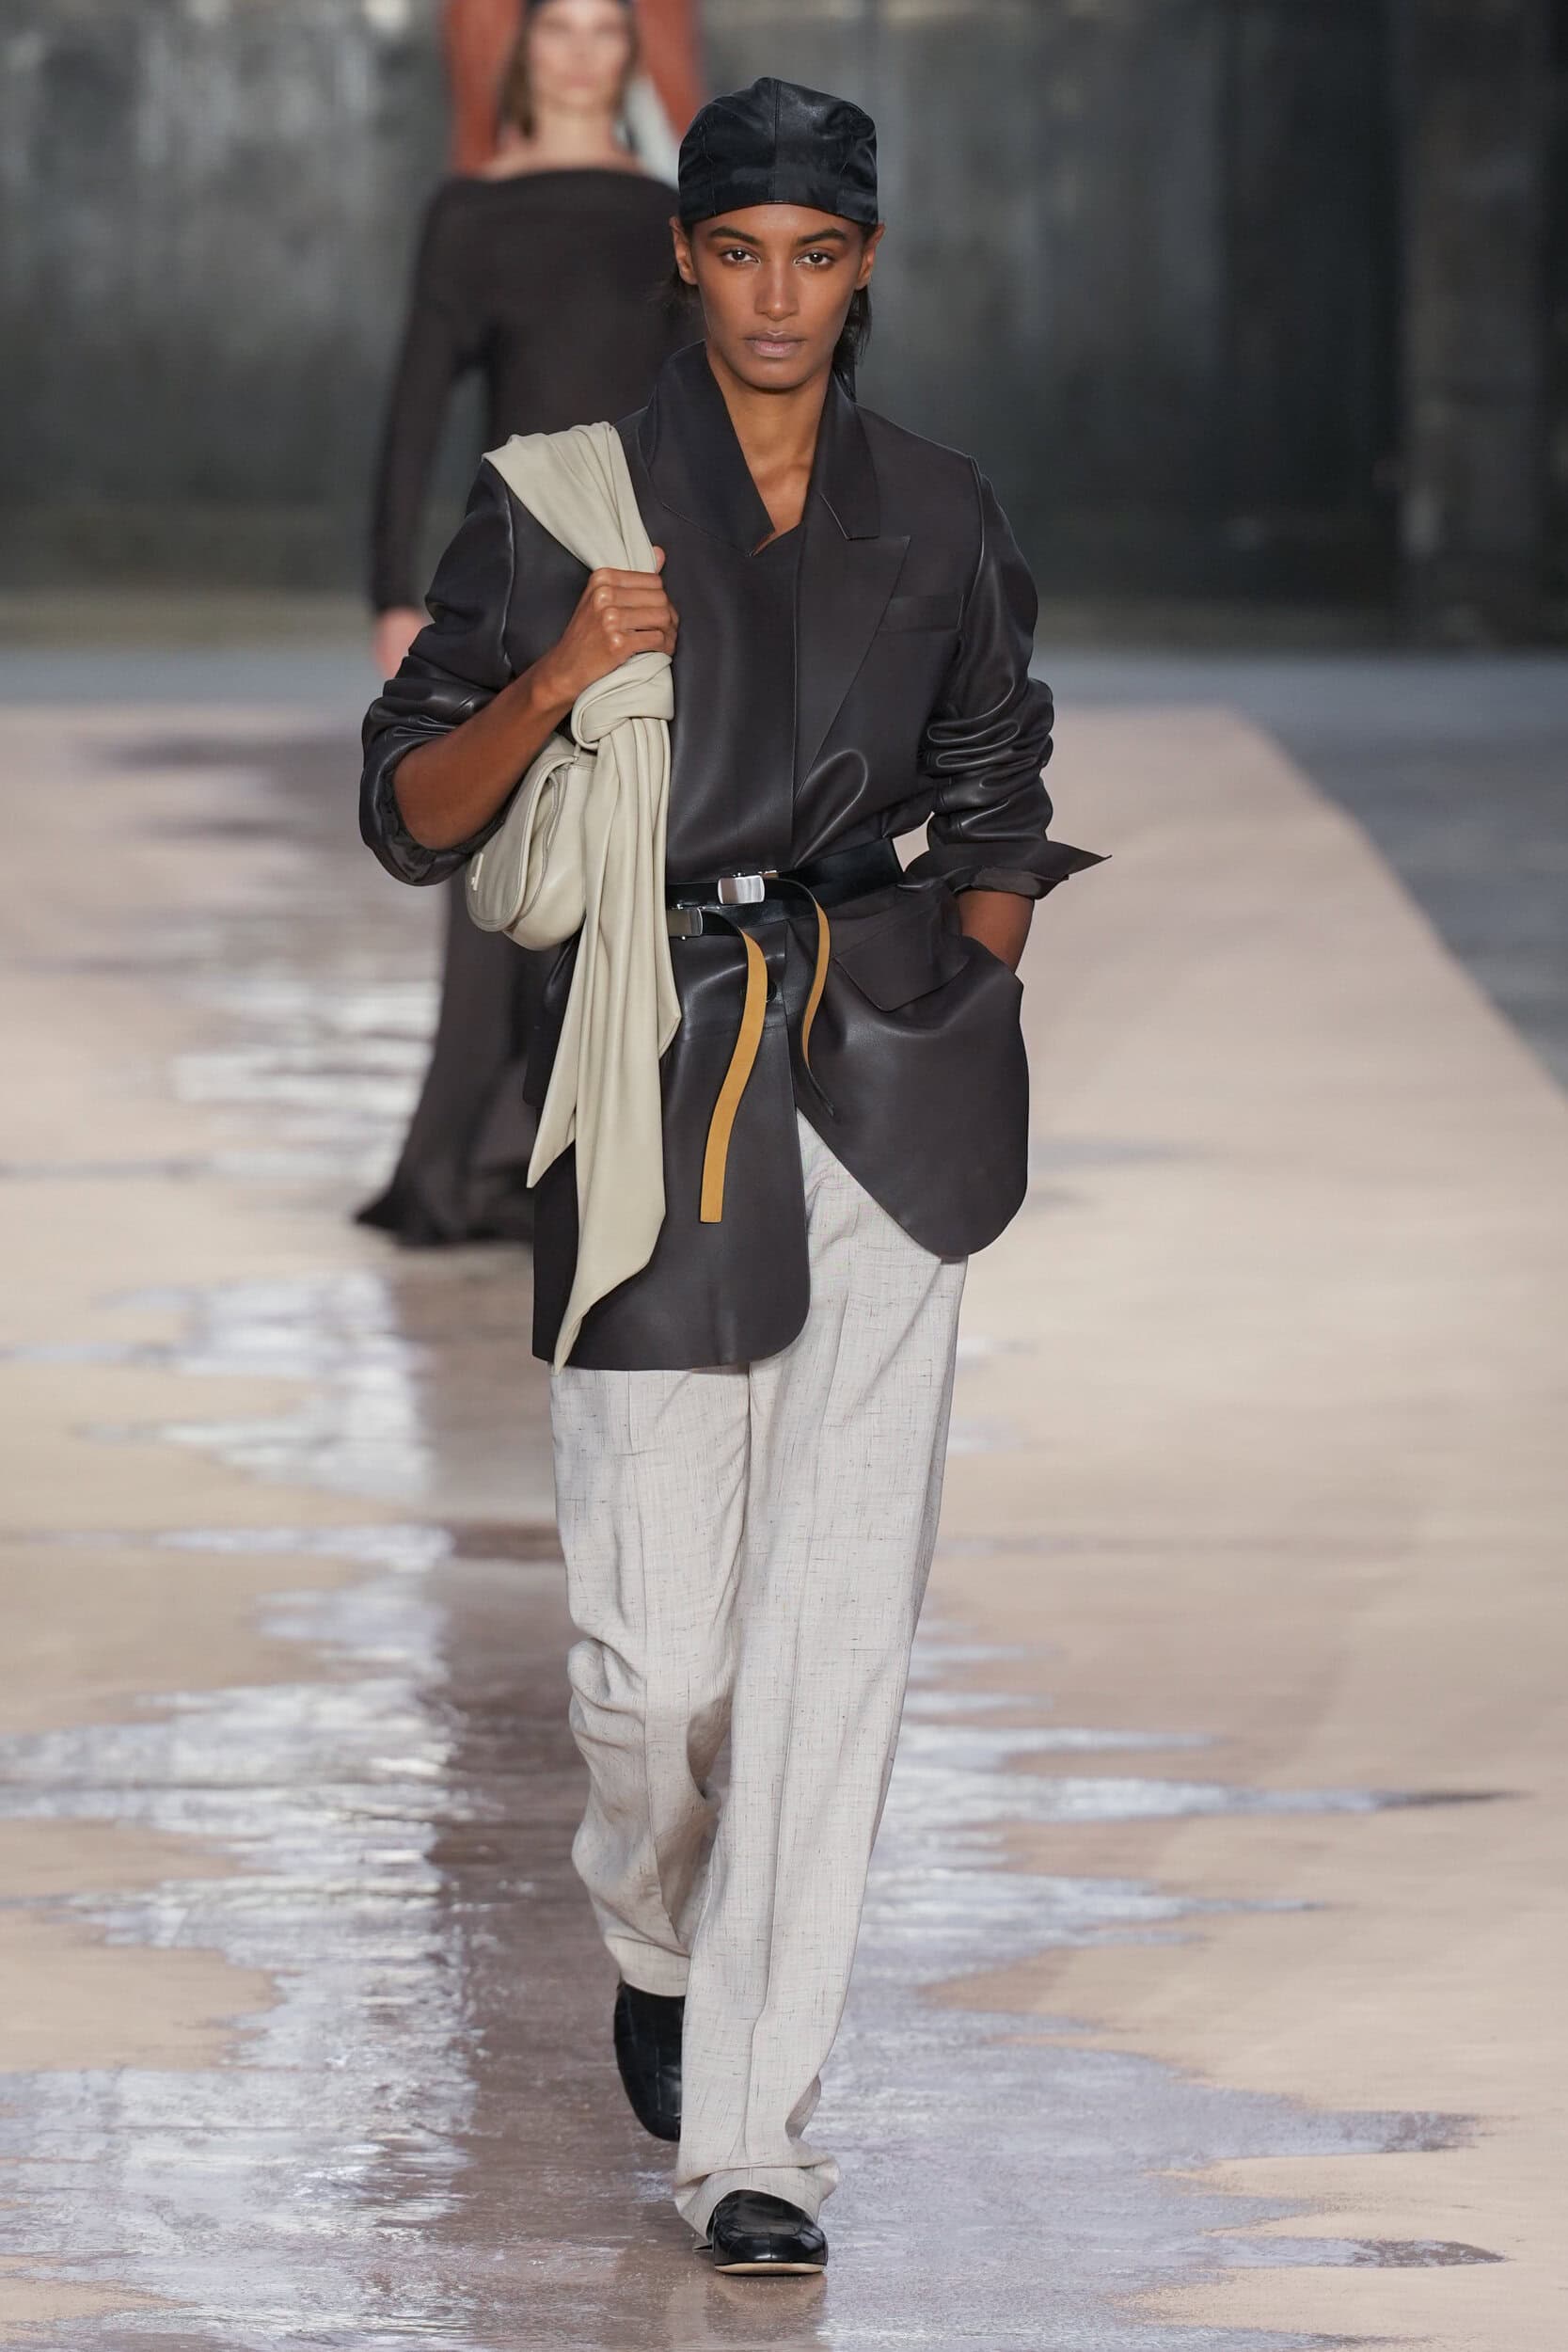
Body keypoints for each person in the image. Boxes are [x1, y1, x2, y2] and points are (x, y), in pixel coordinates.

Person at [361, 74, 1100, 2272]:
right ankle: (659, 1929)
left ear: (861, 270)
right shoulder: (561, 503)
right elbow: (411, 807)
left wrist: (965, 1002)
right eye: (743, 250)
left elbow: (1000, 778)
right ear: (686, 262)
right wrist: (566, 663)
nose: (780, 293)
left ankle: (756, 2135)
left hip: (877, 1078)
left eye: (819, 253)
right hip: (654, 1066)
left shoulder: (938, 510)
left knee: (831, 1627)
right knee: (652, 1665)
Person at [359, 0, 687, 1248]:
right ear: (526, 52)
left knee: (630, 846)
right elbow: (413, 410)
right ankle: (474, 1156)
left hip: (639, 559)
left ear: (628, 55)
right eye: (562, 28)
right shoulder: (472, 214)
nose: (583, 51)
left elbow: (698, 404)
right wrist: (391, 591)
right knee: (497, 851)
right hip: (512, 562)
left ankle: (583, 1142)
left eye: (607, 28)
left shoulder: (669, 216)